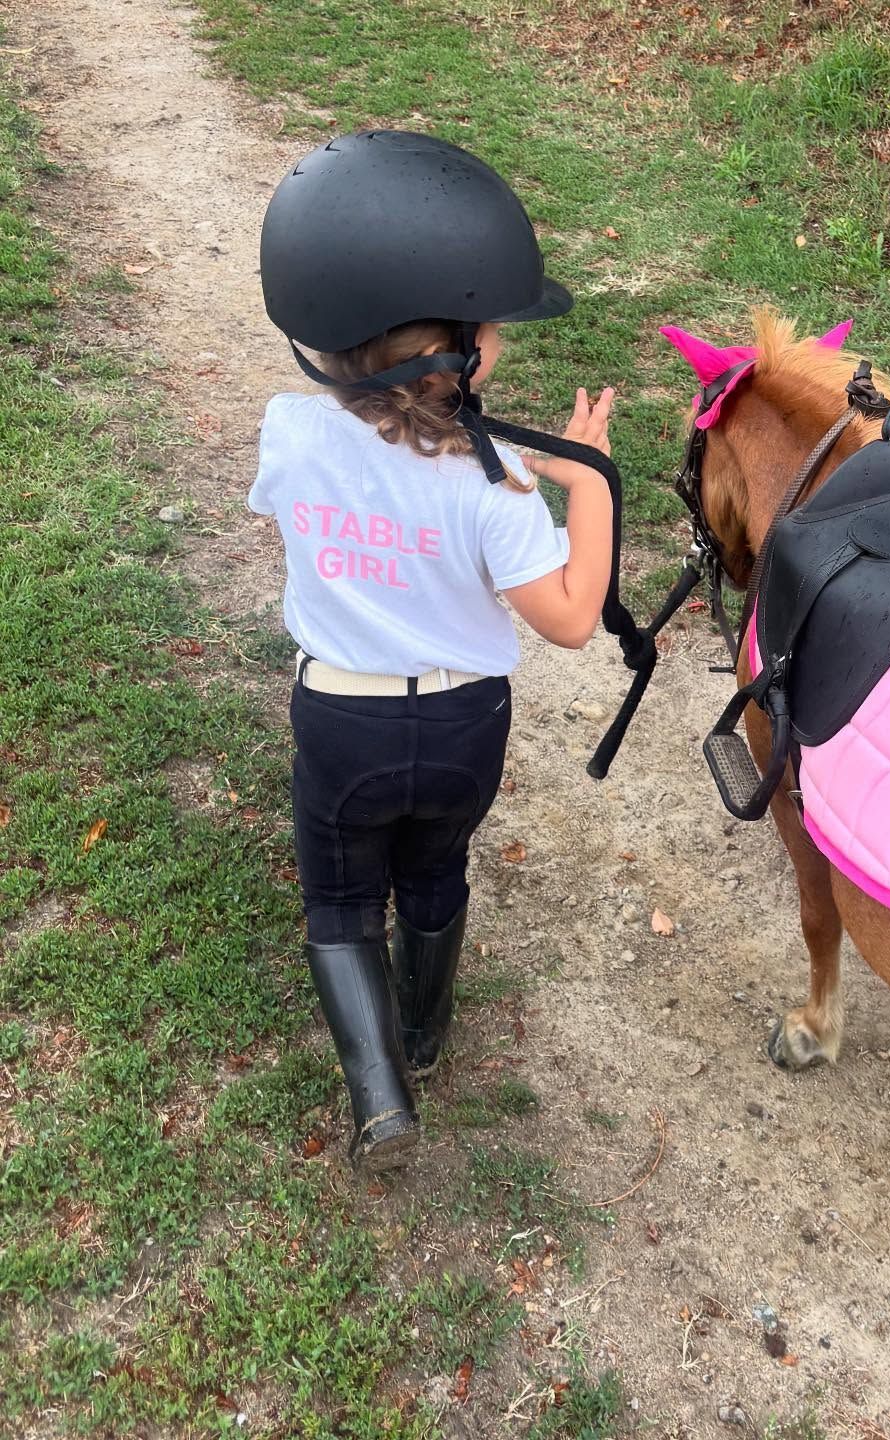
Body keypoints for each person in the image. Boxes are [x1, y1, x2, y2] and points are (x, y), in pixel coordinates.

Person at [251, 130, 614, 1171]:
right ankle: (426, 1030)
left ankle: (381, 1097)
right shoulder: (496, 489)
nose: (499, 336)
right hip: (463, 724)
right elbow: (573, 616)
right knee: (436, 867)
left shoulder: (291, 433)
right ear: (457, 355)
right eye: (490, 326)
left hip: (342, 718)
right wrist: (585, 477)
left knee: (339, 899)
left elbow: (320, 515)